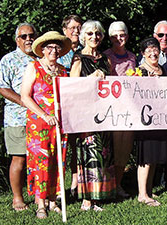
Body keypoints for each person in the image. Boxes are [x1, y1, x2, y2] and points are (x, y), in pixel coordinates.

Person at [21, 31, 71, 218]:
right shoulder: (34, 67)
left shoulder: (62, 70)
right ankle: (40, 203)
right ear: (42, 50)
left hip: (59, 123)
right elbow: (25, 96)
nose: (54, 51)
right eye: (50, 47)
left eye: (57, 47)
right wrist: (44, 114)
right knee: (41, 162)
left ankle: (53, 200)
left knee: (58, 160)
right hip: (39, 124)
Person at [70, 20, 116, 211]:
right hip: (85, 113)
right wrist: (90, 79)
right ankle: (86, 199)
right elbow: (72, 86)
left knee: (103, 153)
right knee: (88, 153)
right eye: (89, 34)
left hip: (104, 113)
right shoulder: (78, 58)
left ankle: (98, 196)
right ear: (83, 37)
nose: (94, 37)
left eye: (97, 33)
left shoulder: (106, 59)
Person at [0, 22, 37, 212]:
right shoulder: (8, 60)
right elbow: (1, 86)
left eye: (31, 36)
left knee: (38, 159)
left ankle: (39, 195)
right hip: (17, 118)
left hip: (39, 118)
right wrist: (24, 102)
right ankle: (17, 198)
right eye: (24, 36)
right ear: (17, 40)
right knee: (19, 159)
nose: (28, 39)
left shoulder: (39, 59)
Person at [135, 37, 167, 206]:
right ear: (143, 54)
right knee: (146, 157)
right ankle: (142, 194)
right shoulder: (139, 71)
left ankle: (148, 190)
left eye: (155, 49)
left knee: (155, 156)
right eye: (148, 50)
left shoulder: (163, 70)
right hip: (146, 121)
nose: (153, 52)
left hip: (161, 119)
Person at [103, 21, 136, 198]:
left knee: (125, 148)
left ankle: (119, 184)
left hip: (129, 108)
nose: (119, 38)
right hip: (112, 109)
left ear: (127, 37)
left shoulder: (132, 57)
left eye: (122, 35)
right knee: (113, 149)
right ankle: (109, 185)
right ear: (110, 38)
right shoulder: (105, 56)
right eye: (115, 35)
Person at [58, 14, 83, 199]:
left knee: (77, 146)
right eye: (72, 28)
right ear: (65, 30)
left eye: (78, 27)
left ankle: (75, 183)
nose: (76, 31)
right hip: (60, 104)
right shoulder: (58, 50)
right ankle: (58, 187)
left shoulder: (86, 49)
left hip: (80, 105)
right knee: (60, 147)